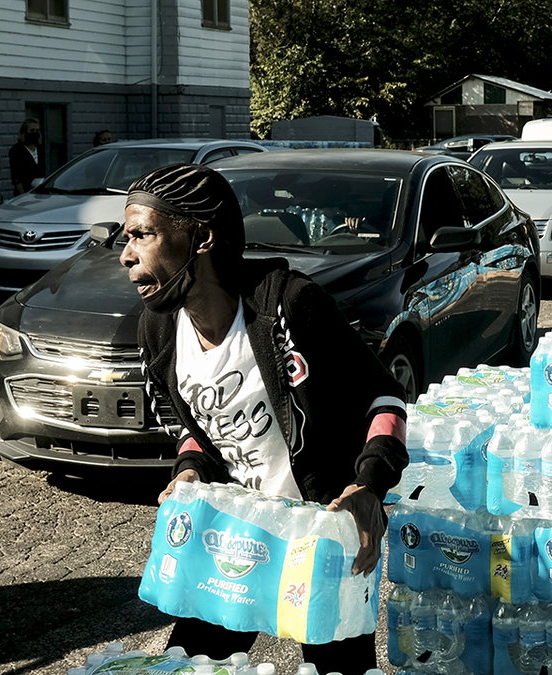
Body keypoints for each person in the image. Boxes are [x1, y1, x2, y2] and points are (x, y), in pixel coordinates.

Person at [119, 163, 408, 672]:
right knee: (189, 665)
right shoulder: (159, 330)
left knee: (339, 669)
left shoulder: (289, 306)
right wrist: (189, 471)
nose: (127, 255)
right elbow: (200, 427)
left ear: (201, 236)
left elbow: (383, 398)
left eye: (142, 235)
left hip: (321, 534)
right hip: (234, 531)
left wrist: (369, 485)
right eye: (126, 238)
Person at [9, 118, 46, 196]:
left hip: (39, 193)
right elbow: (16, 178)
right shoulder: (16, 150)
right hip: (24, 193)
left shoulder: (40, 149)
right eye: (32, 130)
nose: (35, 133)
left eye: (37, 130)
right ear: (24, 132)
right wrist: (23, 195)